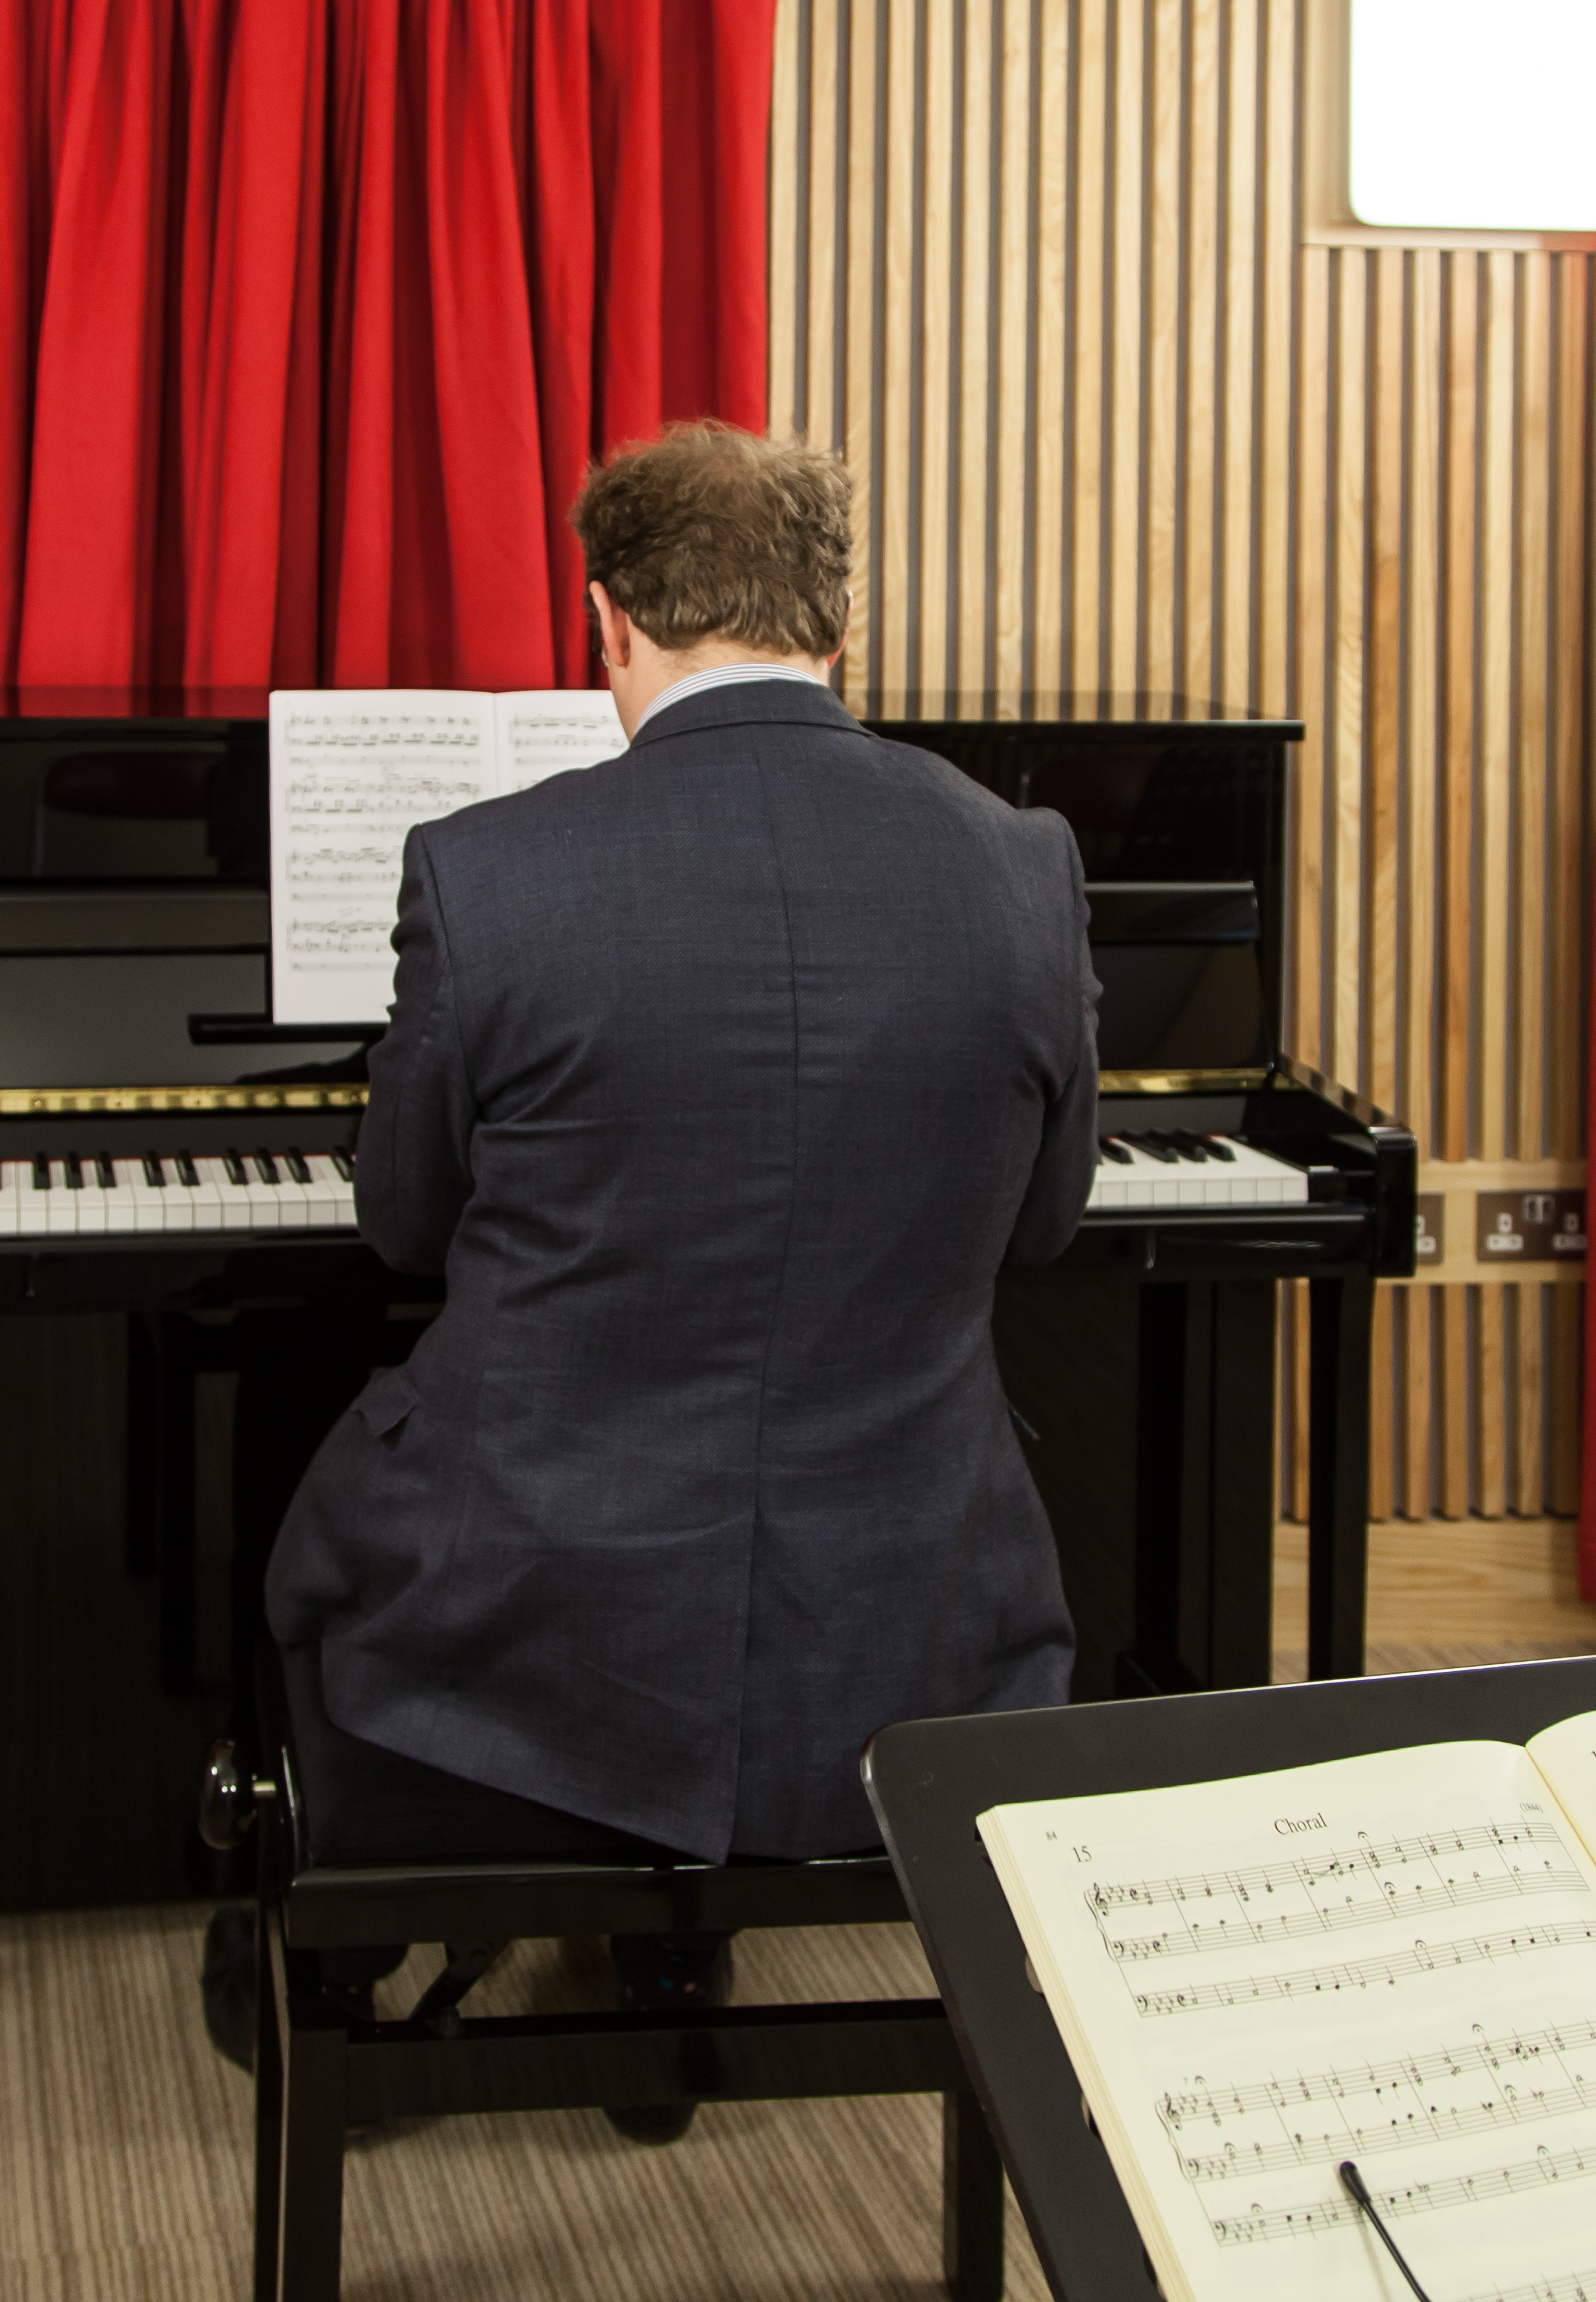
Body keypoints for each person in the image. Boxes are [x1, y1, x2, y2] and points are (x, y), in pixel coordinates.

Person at [220, 423, 1100, 2136]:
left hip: (532, 1602)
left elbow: (405, 1227)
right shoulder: (1024, 867)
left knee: (314, 1513)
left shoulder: (490, 872)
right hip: (908, 1596)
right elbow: (1047, 1227)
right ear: (845, 633)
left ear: (607, 623)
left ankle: (337, 1959)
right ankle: (669, 1950)